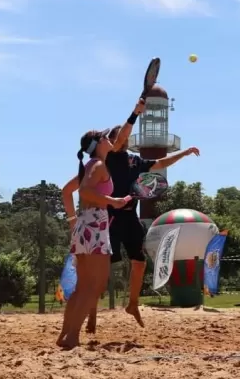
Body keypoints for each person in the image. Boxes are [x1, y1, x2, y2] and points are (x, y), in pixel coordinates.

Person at [86, 120, 200, 331]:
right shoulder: (108, 157)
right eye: (120, 135)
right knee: (103, 270)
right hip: (110, 217)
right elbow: (121, 136)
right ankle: (91, 313)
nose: (125, 137)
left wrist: (184, 153)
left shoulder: (134, 160)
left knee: (139, 262)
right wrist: (135, 114)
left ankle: (133, 304)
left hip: (130, 217)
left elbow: (161, 163)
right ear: (113, 140)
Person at [56, 129, 129, 349]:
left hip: (85, 224)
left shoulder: (90, 166)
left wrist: (72, 220)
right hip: (95, 225)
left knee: (83, 286)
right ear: (98, 144)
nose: (109, 139)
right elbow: (85, 191)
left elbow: (67, 191)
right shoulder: (97, 165)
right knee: (94, 285)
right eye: (105, 137)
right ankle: (72, 336)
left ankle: (66, 334)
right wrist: (113, 201)